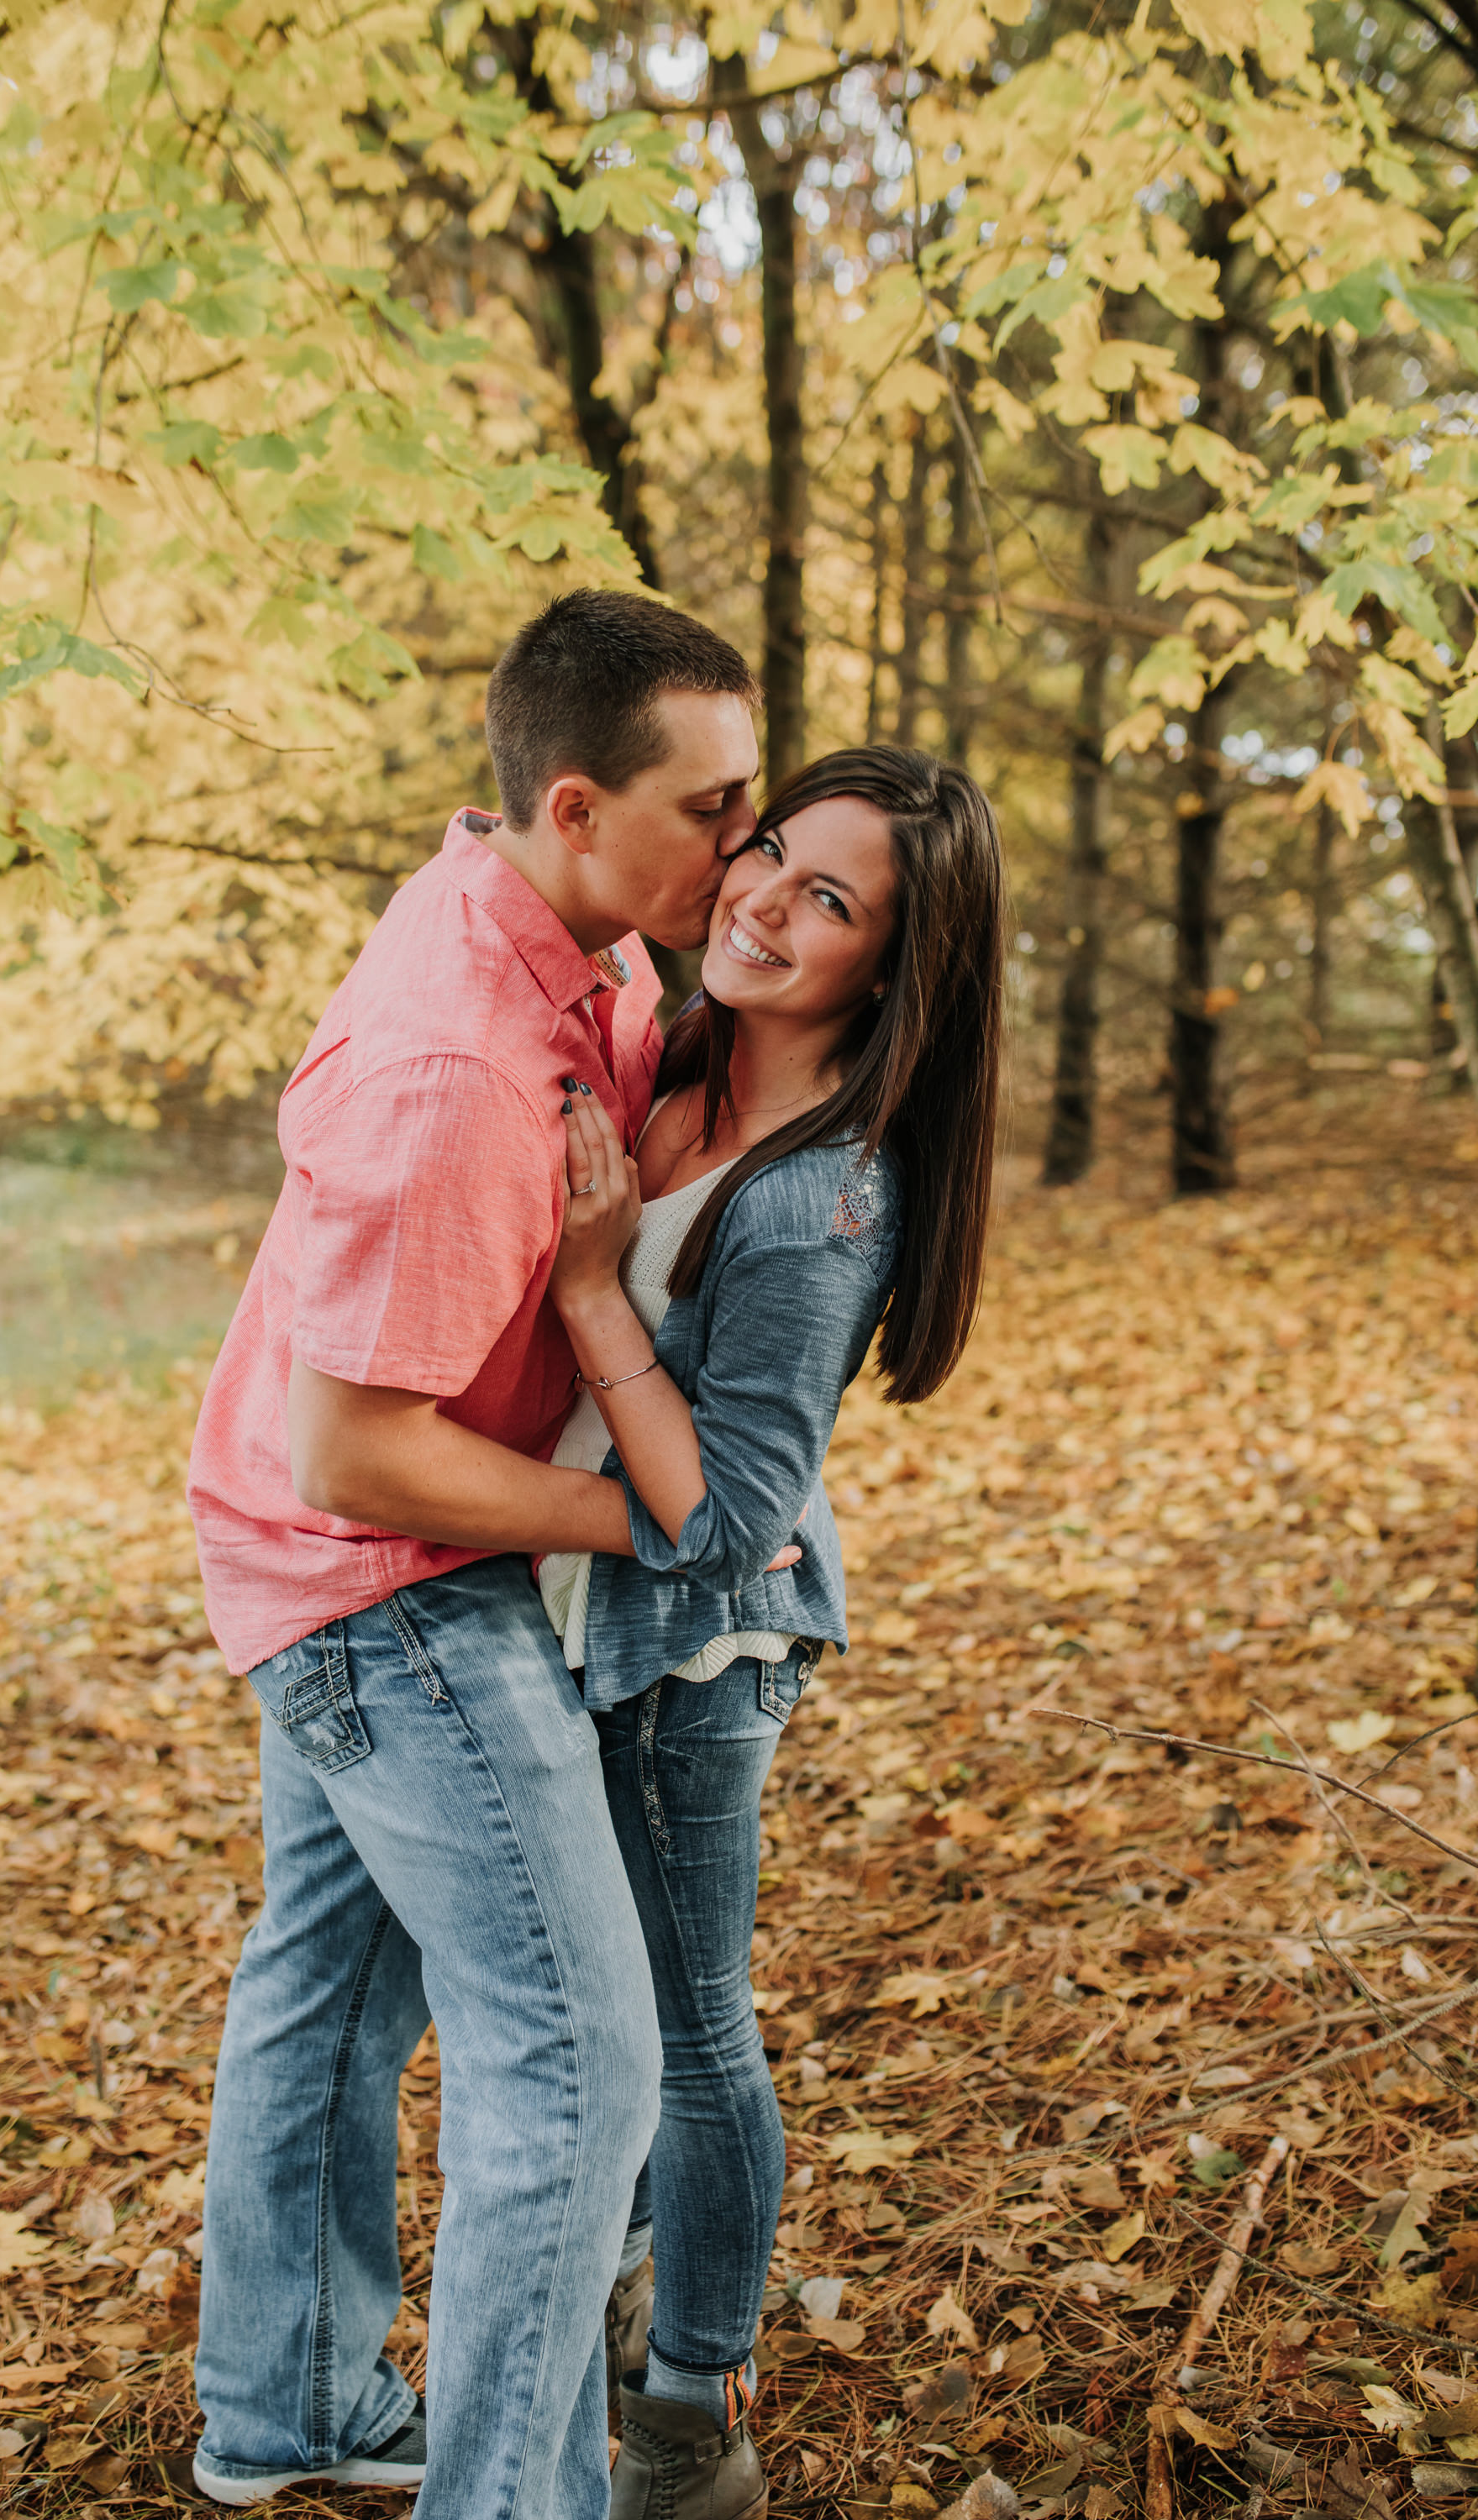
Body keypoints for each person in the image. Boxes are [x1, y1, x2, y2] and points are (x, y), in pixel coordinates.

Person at [185, 590, 765, 2517]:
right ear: (581, 804)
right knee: (583, 2065)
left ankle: (286, 2414)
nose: (744, 847)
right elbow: (352, 1450)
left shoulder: (553, 929)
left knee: (332, 1988)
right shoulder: (453, 1064)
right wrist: (644, 1526)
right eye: (717, 807)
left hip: (306, 1553)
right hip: (375, 1588)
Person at [539, 746, 1006, 2520]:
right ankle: (620, 2317)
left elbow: (731, 1517)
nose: (766, 902)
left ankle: (690, 2410)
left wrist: (593, 1290)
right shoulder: (666, 1074)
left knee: (691, 2024)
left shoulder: (821, 1191)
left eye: (832, 903)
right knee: (617, 2019)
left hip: (694, 1655)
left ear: (888, 968)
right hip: (597, 1618)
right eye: (772, 856)